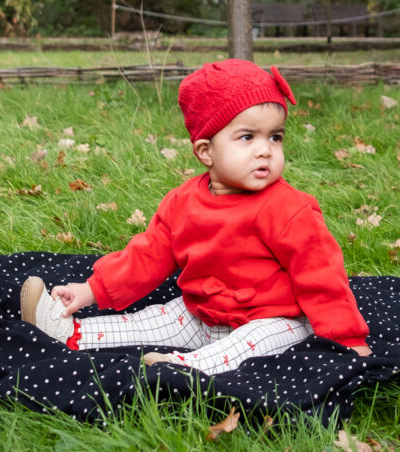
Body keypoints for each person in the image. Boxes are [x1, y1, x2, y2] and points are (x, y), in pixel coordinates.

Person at [20, 58, 371, 375]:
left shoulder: (289, 209)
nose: (265, 149)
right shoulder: (183, 202)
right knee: (158, 318)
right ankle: (71, 332)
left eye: (275, 137)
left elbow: (321, 277)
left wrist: (348, 339)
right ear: (206, 152)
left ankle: (187, 370)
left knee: (249, 342)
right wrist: (92, 290)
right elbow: (146, 256)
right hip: (205, 313)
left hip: (278, 319)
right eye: (247, 137)